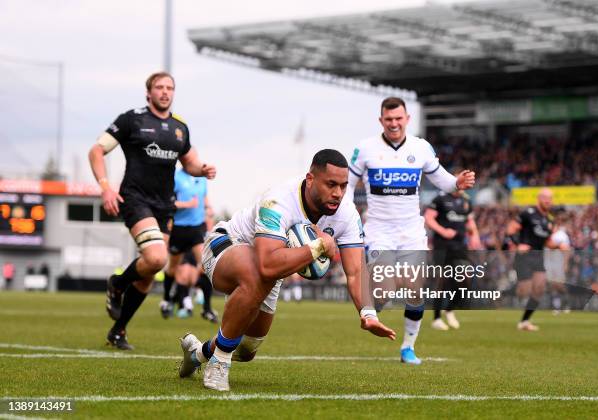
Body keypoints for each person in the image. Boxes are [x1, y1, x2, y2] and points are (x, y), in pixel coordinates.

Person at [177, 149, 396, 392]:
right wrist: (319, 246)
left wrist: (368, 314)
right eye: (331, 184)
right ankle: (219, 363)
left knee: (247, 348)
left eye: (343, 186)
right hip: (227, 244)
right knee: (256, 274)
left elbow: (355, 271)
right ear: (310, 179)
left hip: (271, 267)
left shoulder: (346, 213)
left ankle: (197, 354)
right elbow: (267, 264)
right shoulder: (279, 200)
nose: (338, 193)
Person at [88, 71, 216, 350]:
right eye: (159, 87)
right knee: (157, 259)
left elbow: (190, 163)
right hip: (135, 199)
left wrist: (203, 170)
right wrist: (106, 187)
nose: (165, 92)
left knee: (147, 275)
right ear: (149, 93)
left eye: (170, 87)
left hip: (164, 205)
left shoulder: (179, 127)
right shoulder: (131, 119)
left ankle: (118, 331)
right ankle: (118, 284)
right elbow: (96, 151)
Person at [347, 97, 475, 364]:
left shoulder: (421, 147)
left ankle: (408, 348)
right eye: (389, 119)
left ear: (407, 119)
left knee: (416, 289)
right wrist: (346, 217)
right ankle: (371, 312)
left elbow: (442, 179)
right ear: (381, 120)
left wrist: (458, 182)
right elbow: (348, 185)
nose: (394, 123)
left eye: (398, 118)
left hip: (411, 231)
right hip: (379, 231)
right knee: (385, 288)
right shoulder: (366, 148)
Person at [424, 189, 482, 330]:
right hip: (442, 246)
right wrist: (443, 231)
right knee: (442, 281)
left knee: (465, 279)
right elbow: (428, 218)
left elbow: (469, 221)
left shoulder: (466, 201)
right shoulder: (440, 199)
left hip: (460, 246)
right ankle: (436, 318)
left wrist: (475, 236)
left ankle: (449, 309)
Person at [506, 188, 562, 331]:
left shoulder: (550, 219)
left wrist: (558, 246)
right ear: (539, 198)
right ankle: (502, 293)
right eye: (545, 197)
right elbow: (510, 230)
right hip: (524, 257)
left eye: (550, 198)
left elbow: (548, 242)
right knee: (524, 291)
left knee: (539, 288)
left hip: (538, 257)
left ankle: (524, 321)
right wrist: (519, 244)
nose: (548, 201)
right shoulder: (528, 213)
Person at [160, 167, 212, 319]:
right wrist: (187, 204)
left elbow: (204, 197)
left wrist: (208, 208)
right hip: (178, 229)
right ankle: (166, 300)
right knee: (172, 268)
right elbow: (167, 203)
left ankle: (207, 308)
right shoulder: (175, 178)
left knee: (206, 265)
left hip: (196, 229)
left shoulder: (202, 178)